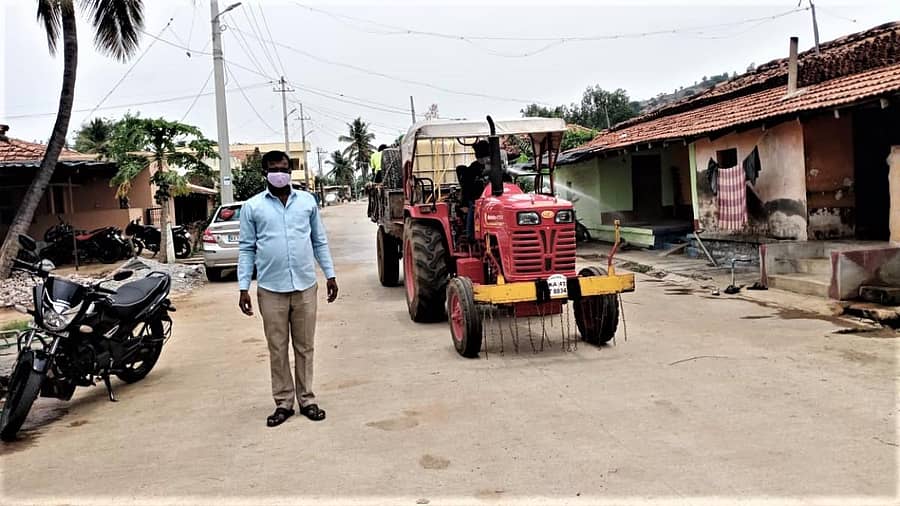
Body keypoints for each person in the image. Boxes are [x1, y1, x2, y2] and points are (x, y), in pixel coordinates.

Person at [238, 150, 339, 428]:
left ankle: (307, 399)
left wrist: (330, 274)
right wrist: (243, 286)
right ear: (265, 173)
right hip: (271, 289)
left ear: (290, 172)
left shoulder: (307, 202)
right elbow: (247, 248)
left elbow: (319, 241)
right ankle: (283, 402)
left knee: (305, 346)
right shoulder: (253, 207)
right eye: (274, 169)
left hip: (305, 286)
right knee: (278, 348)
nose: (279, 173)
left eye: (284, 168)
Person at [455, 140, 492, 242]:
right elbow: (467, 189)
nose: (485, 160)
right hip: (476, 199)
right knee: (473, 207)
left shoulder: (497, 167)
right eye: (482, 158)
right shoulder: (472, 169)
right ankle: (470, 235)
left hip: (494, 198)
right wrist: (464, 203)